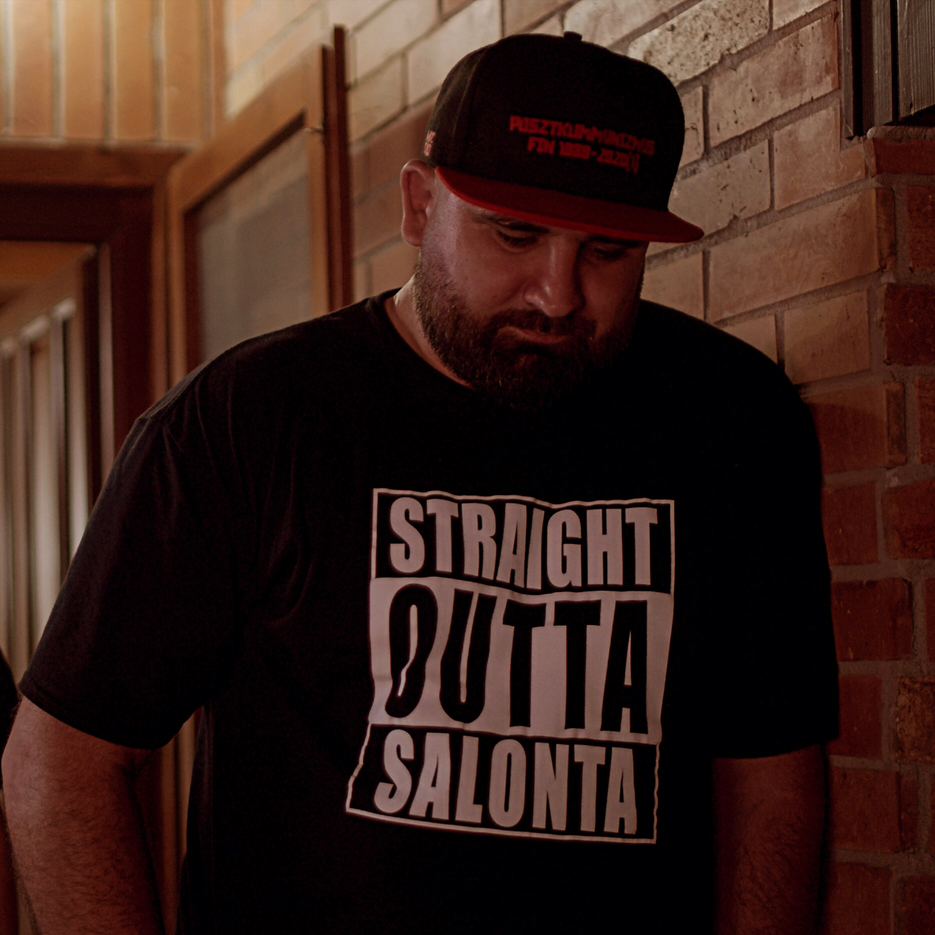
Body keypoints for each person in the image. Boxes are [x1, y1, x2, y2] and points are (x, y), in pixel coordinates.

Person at [2, 32, 837, 935]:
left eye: (608, 249)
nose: (557, 294)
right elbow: (61, 762)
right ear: (418, 203)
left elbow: (769, 781)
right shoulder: (248, 420)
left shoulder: (730, 420)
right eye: (513, 233)